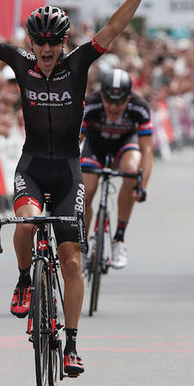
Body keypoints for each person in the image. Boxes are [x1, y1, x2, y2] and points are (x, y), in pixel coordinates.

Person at [0, 0, 158, 376]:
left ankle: (71, 344)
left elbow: (112, 28)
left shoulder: (77, 65)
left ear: (64, 42)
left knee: (71, 261)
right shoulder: (20, 63)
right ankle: (23, 279)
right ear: (31, 43)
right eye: (40, 43)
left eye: (54, 42)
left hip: (69, 170)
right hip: (33, 165)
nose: (47, 49)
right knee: (26, 225)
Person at [80, 69, 153, 269]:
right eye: (109, 101)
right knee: (85, 194)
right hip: (95, 147)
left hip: (124, 147)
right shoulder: (91, 104)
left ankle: (118, 238)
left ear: (128, 98)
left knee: (131, 170)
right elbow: (75, 141)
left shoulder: (140, 107)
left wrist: (141, 185)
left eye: (119, 102)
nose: (113, 107)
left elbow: (147, 151)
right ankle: (82, 244)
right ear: (102, 96)